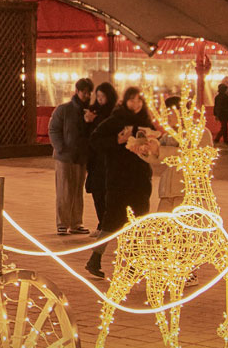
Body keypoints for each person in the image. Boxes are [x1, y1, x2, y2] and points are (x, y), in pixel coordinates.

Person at [85, 87, 155, 279]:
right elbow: (95, 140)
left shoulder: (145, 122)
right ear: (125, 101)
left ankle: (133, 265)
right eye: (132, 100)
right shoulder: (115, 120)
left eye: (139, 100)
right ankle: (95, 259)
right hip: (118, 177)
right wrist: (117, 140)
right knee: (112, 220)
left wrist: (150, 146)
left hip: (140, 179)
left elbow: (154, 147)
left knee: (139, 221)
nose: (136, 104)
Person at [152, 96, 212, 212]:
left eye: (168, 113)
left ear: (181, 112)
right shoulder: (169, 135)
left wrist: (159, 150)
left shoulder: (200, 132)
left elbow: (188, 156)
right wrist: (145, 150)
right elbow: (157, 157)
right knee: (162, 223)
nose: (165, 117)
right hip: (168, 193)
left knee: (184, 223)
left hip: (189, 192)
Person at [49, 78, 92, 235]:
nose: (86, 95)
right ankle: (62, 223)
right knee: (64, 190)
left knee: (77, 190)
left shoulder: (90, 112)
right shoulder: (64, 109)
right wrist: (60, 148)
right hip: (65, 157)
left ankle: (76, 223)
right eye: (84, 92)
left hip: (81, 157)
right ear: (77, 91)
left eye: (88, 92)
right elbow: (53, 129)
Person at [84, 82, 118, 234]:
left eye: (103, 96)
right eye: (98, 96)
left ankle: (107, 225)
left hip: (110, 159)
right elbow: (87, 134)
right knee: (97, 191)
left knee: (108, 192)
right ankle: (102, 223)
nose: (100, 99)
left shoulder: (115, 113)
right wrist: (87, 121)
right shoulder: (92, 111)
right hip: (95, 158)